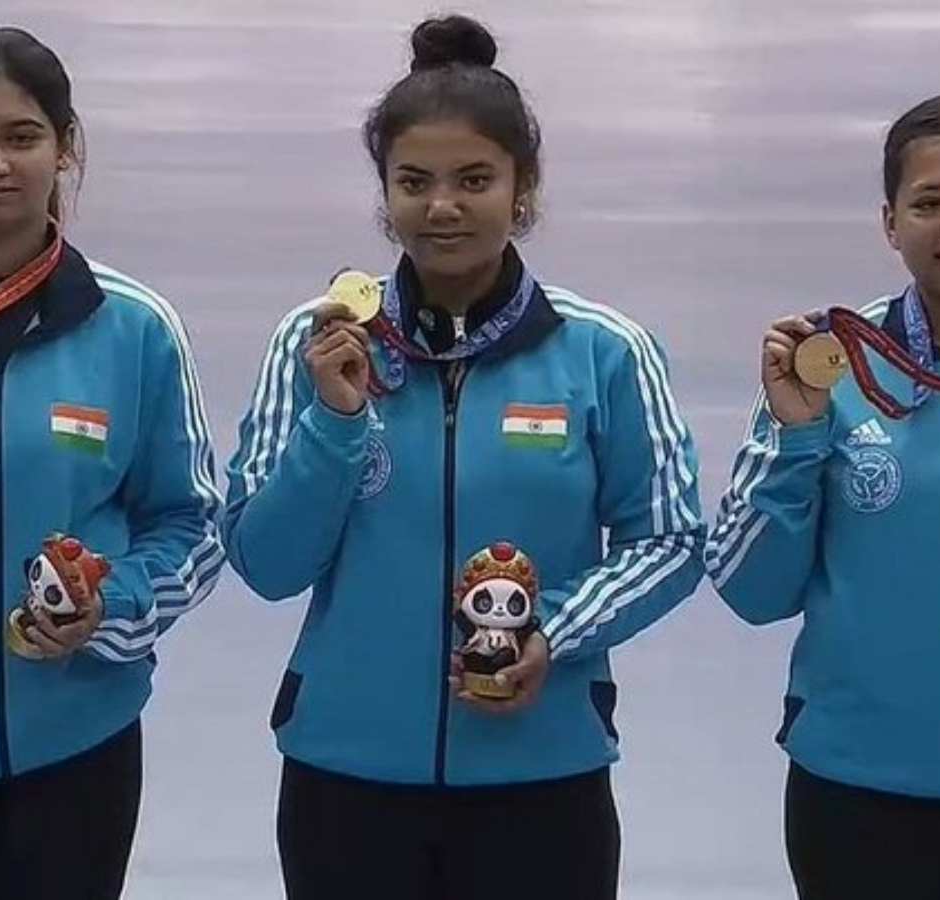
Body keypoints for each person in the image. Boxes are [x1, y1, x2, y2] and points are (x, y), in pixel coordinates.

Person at [224, 14, 704, 899]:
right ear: (385, 195)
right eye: (414, 182)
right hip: (347, 779)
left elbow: (671, 541)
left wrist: (554, 632)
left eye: (473, 180)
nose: (442, 206)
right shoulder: (317, 339)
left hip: (542, 780)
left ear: (523, 189)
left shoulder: (605, 350)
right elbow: (264, 562)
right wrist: (334, 422)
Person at [705, 90, 940, 899]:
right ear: (889, 221)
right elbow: (749, 588)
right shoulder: (831, 368)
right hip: (861, 798)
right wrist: (797, 436)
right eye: (931, 202)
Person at [0, 27, 223, 900]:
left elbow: (191, 522)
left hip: (73, 750)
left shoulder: (136, 326)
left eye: (22, 136)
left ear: (66, 149)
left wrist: (113, 607)